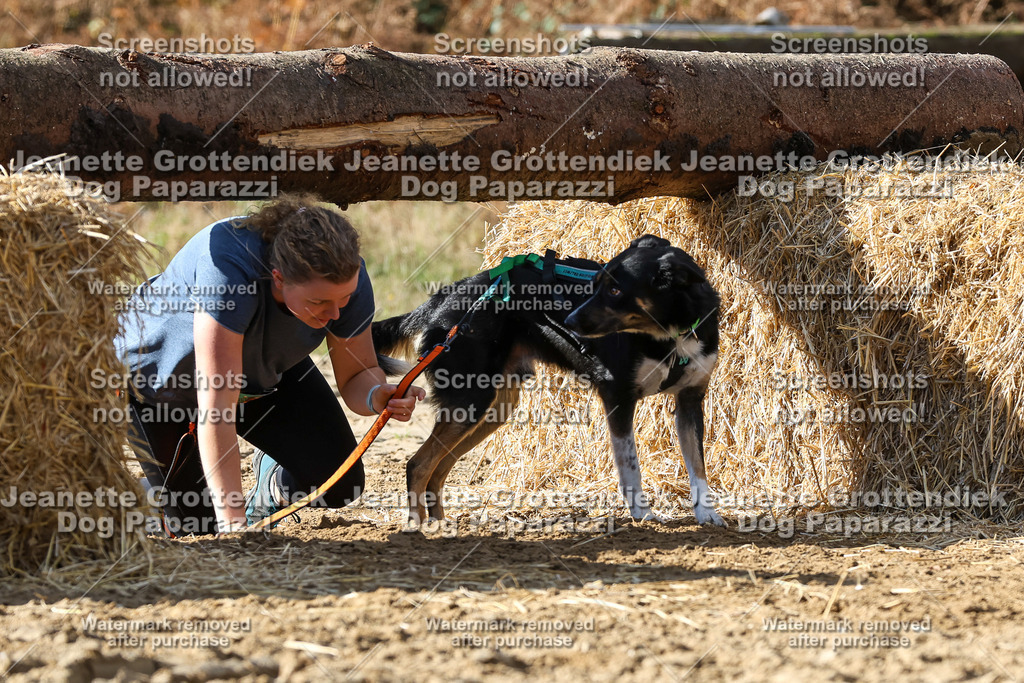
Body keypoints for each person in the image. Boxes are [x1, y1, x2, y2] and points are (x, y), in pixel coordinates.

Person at [115, 194, 424, 535]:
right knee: (197, 527)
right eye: (319, 302)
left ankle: (271, 483)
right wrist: (235, 526)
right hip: (162, 385)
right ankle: (153, 499)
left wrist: (377, 394)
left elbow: (358, 374)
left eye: (344, 299)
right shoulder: (228, 271)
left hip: (257, 372)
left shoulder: (344, 279)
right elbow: (216, 408)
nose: (335, 314)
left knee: (340, 483)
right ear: (277, 278)